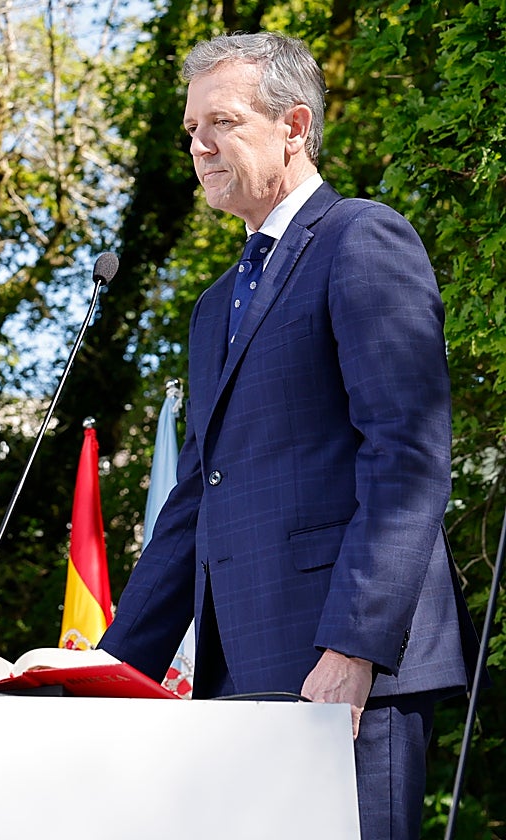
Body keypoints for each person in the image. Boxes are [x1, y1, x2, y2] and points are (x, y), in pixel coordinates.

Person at [97, 32, 478, 840]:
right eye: (191, 128)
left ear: (295, 126)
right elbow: (193, 508)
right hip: (237, 676)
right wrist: (99, 677)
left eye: (221, 123)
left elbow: (406, 457)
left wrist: (353, 649)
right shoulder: (213, 307)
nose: (198, 145)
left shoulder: (362, 240)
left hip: (342, 672)